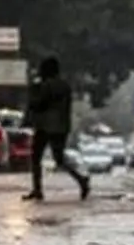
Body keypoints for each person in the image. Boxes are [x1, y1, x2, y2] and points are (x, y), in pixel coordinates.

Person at [22, 56, 90, 202]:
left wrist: (33, 90)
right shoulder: (64, 86)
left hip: (45, 125)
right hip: (61, 127)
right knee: (59, 158)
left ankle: (37, 189)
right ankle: (81, 179)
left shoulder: (45, 86)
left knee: (36, 157)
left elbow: (37, 103)